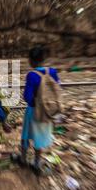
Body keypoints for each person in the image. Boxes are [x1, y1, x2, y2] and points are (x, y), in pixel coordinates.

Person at [14, 46, 61, 174]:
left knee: (25, 135)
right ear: (43, 59)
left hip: (34, 111)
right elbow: (58, 88)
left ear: (31, 61)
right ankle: (37, 163)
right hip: (48, 111)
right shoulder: (52, 71)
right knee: (40, 137)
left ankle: (23, 159)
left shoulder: (32, 75)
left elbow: (27, 97)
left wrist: (36, 101)